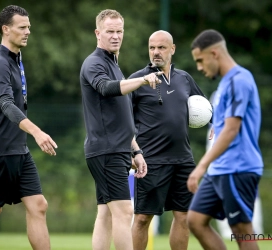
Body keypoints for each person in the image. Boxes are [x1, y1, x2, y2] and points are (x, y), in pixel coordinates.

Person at [0, 5, 58, 250]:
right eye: (22, 27)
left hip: (18, 148)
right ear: (5, 29)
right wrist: (37, 131)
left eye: (29, 27)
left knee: (38, 205)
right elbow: (6, 104)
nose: (28, 31)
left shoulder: (16, 60)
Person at [79, 9, 162, 250]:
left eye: (119, 31)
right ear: (98, 33)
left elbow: (120, 117)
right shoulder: (94, 63)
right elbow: (106, 88)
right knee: (125, 212)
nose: (115, 36)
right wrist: (143, 80)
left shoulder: (114, 64)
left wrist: (136, 150)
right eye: (109, 31)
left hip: (117, 149)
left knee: (106, 214)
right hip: (106, 151)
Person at [129, 30, 208, 250]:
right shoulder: (137, 80)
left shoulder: (184, 78)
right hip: (150, 160)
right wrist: (132, 153)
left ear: (172, 49)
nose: (155, 52)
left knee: (183, 216)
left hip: (183, 159)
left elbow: (203, 108)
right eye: (152, 47)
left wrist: (214, 125)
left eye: (161, 47)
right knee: (143, 218)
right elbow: (122, 122)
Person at [187, 29, 263, 250]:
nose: (199, 67)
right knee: (196, 220)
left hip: (237, 168)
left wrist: (200, 166)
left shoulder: (239, 80)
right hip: (219, 170)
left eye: (200, 60)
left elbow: (231, 130)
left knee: (242, 231)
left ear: (215, 54)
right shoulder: (222, 86)